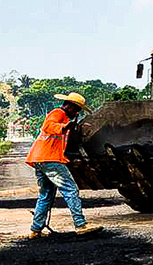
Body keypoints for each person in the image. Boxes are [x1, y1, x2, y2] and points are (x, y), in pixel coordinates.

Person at [26, 92, 102, 238]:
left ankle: (35, 230)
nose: (77, 113)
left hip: (39, 159)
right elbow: (50, 126)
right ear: (70, 106)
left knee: (46, 195)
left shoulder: (63, 117)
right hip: (50, 159)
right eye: (77, 109)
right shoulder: (58, 113)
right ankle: (80, 224)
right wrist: (68, 125)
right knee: (71, 189)